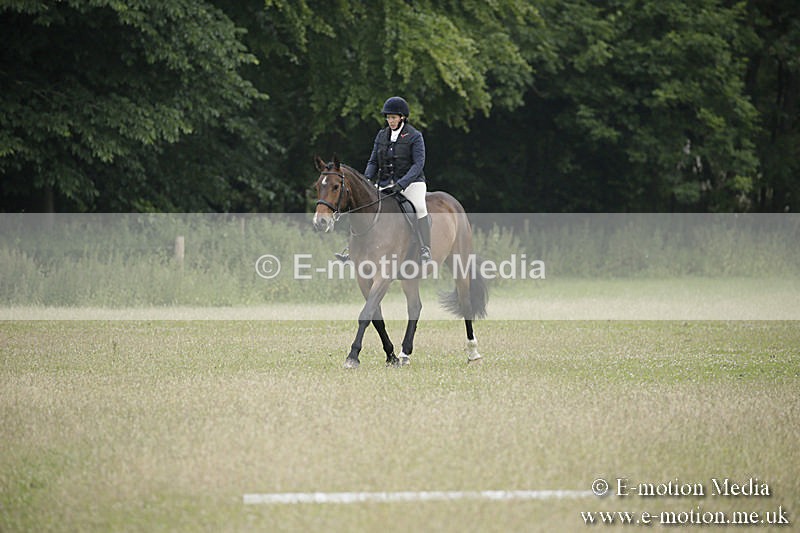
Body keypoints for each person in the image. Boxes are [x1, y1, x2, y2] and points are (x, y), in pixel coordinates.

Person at [365, 96, 431, 261]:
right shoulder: (381, 136)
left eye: (393, 117)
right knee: (366, 208)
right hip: (386, 183)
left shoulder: (414, 136)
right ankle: (355, 250)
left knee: (420, 207)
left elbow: (418, 165)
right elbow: (373, 161)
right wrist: (366, 179)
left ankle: (425, 248)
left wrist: (401, 184)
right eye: (388, 117)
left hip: (412, 183)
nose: (390, 121)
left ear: (402, 117)